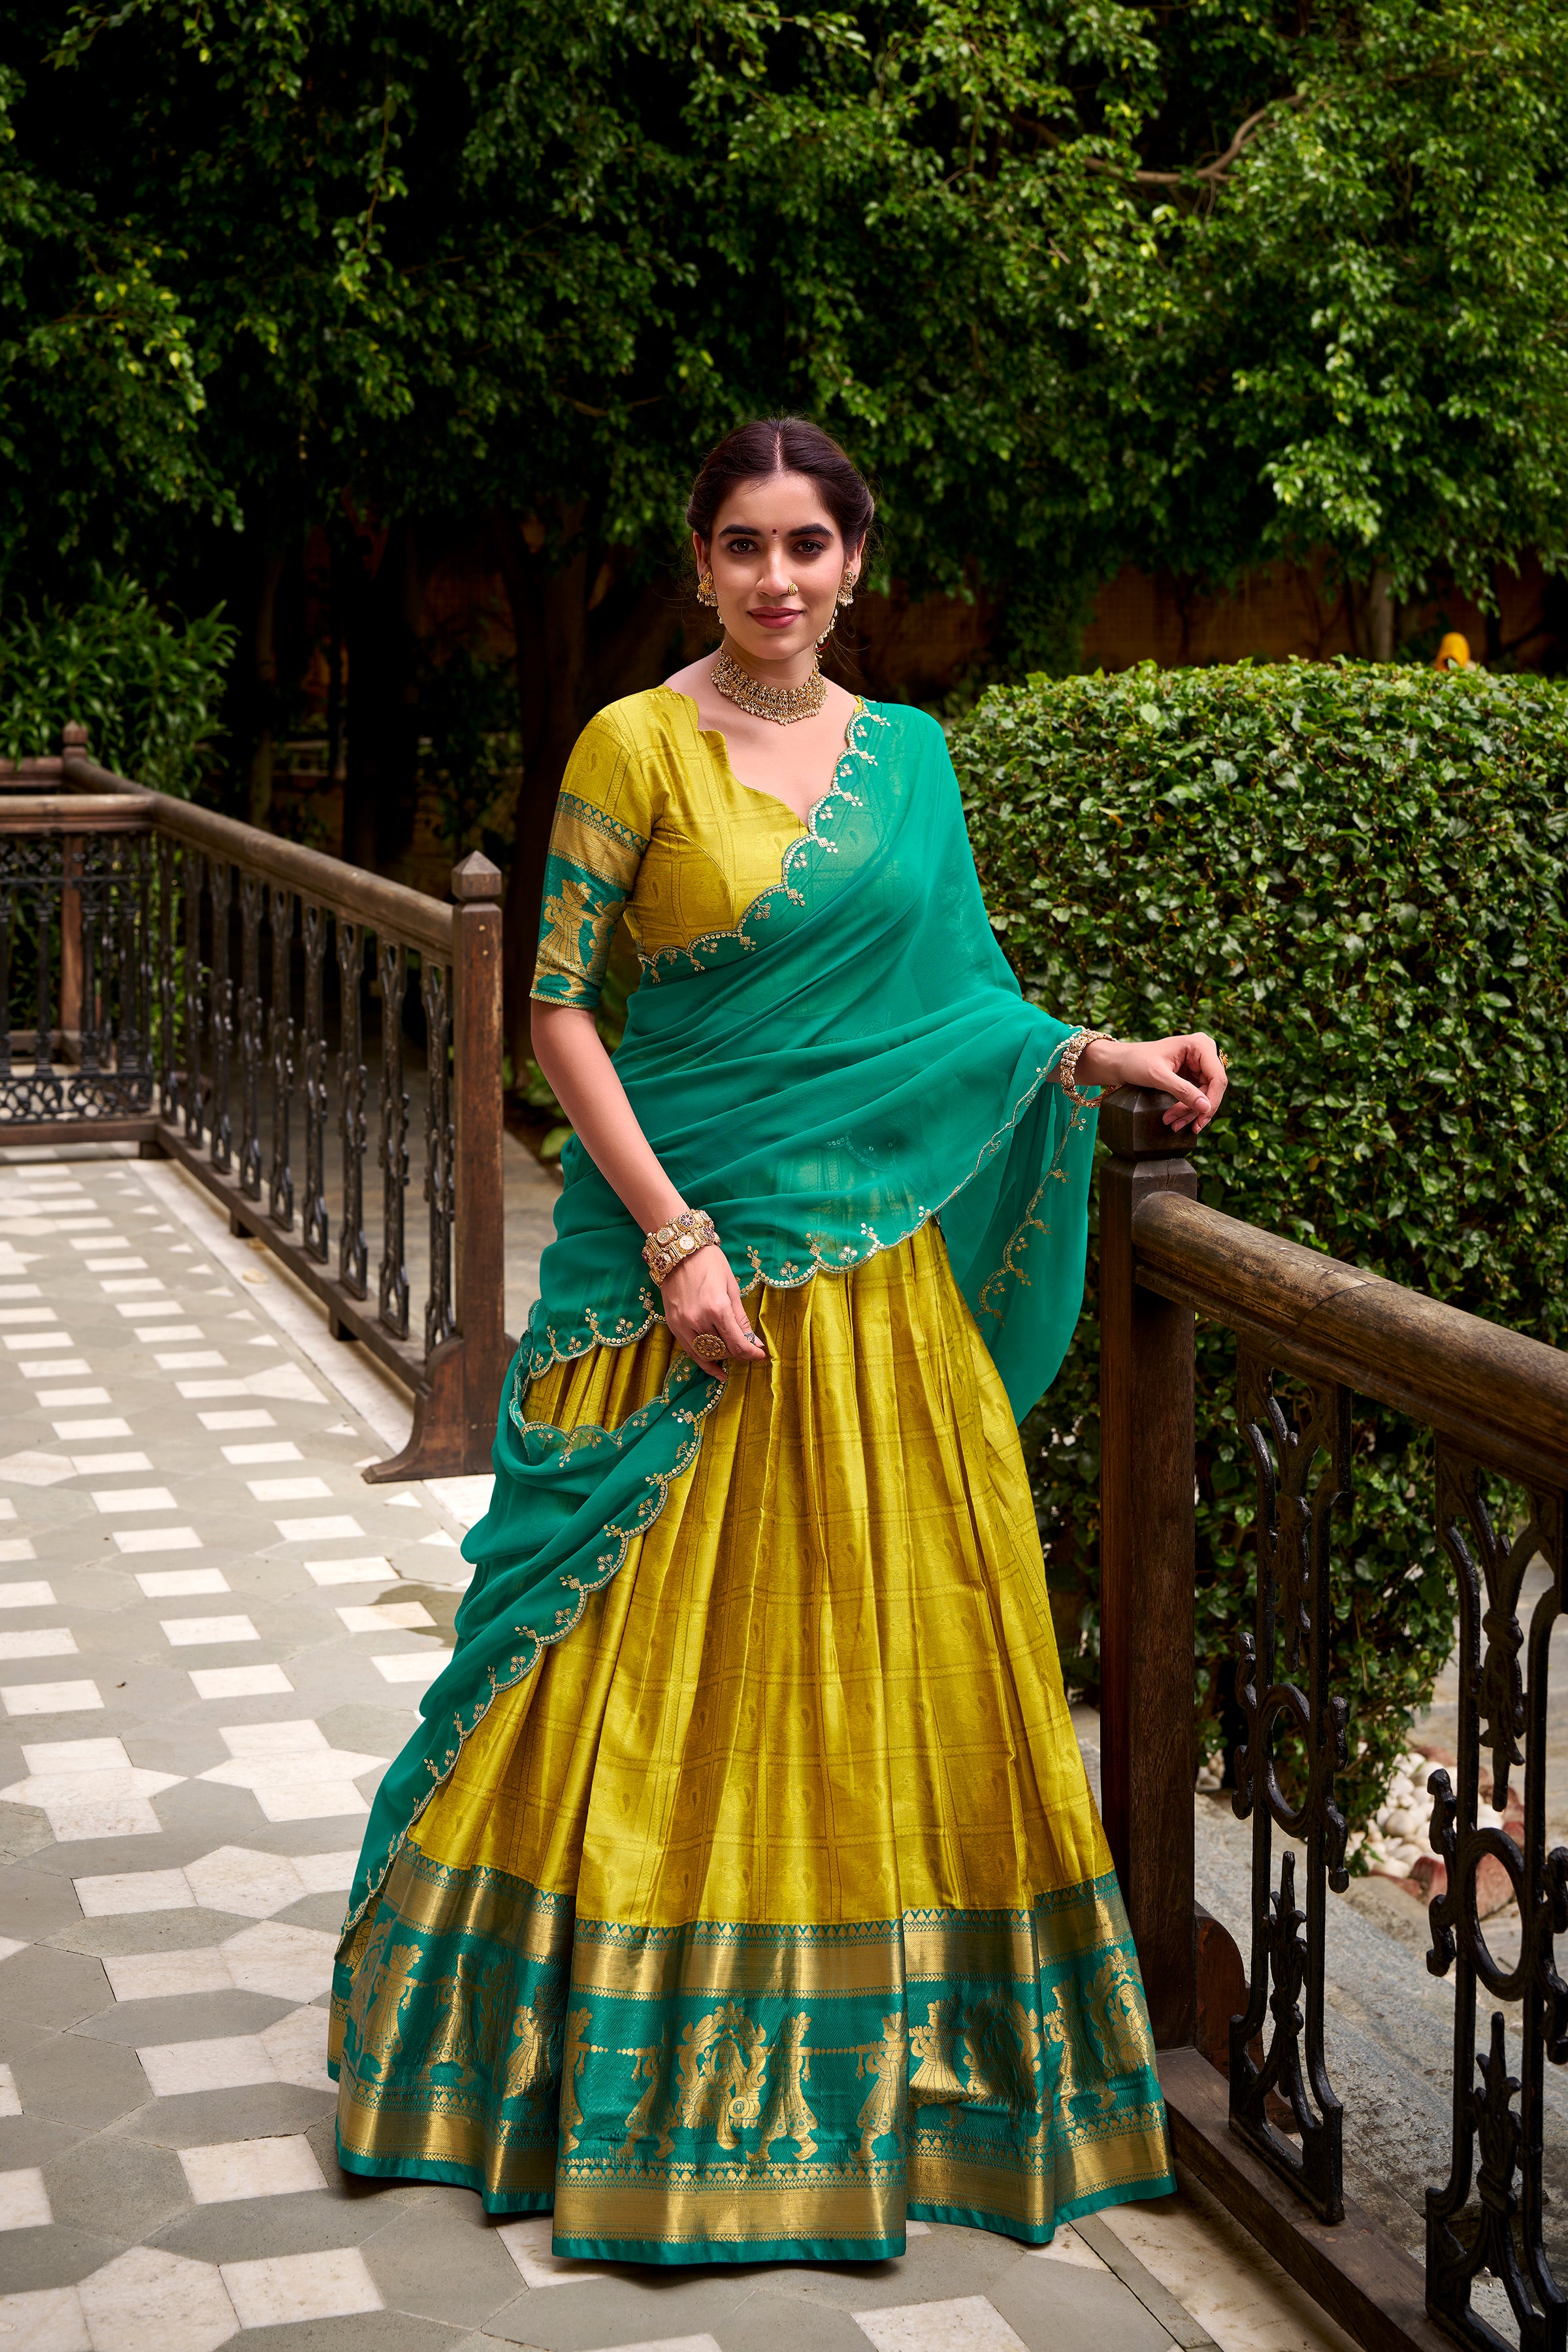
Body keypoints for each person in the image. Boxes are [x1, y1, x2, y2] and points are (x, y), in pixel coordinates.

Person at [330, 416, 1228, 2265]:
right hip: (684, 1262)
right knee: (620, 1653)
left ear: (853, 563)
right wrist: (676, 1240)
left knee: (897, 1643)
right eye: (743, 544)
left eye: (808, 544)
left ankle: (912, 2075)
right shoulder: (635, 744)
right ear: (701, 563)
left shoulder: (910, 760)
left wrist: (1096, 1057)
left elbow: (956, 1004)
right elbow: (556, 1010)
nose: (777, 578)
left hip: (875, 1296)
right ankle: (572, 2055)